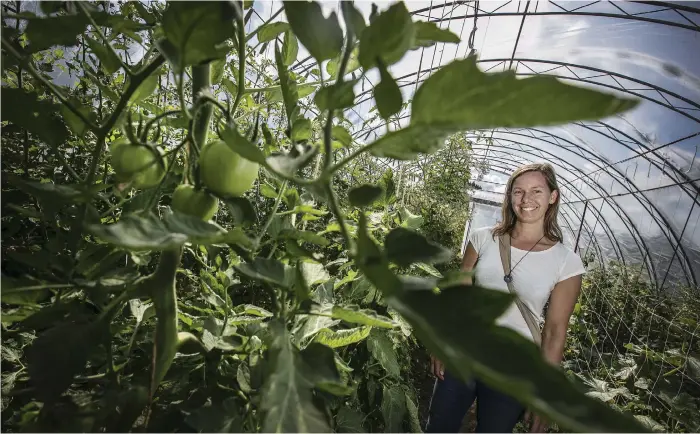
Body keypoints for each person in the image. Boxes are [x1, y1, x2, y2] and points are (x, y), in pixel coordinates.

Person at [425, 163, 586, 433]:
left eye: (537, 191)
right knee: (439, 426)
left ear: (553, 197)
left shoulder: (566, 262)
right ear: (509, 196)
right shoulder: (483, 238)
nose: (526, 200)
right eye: (518, 191)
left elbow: (555, 332)